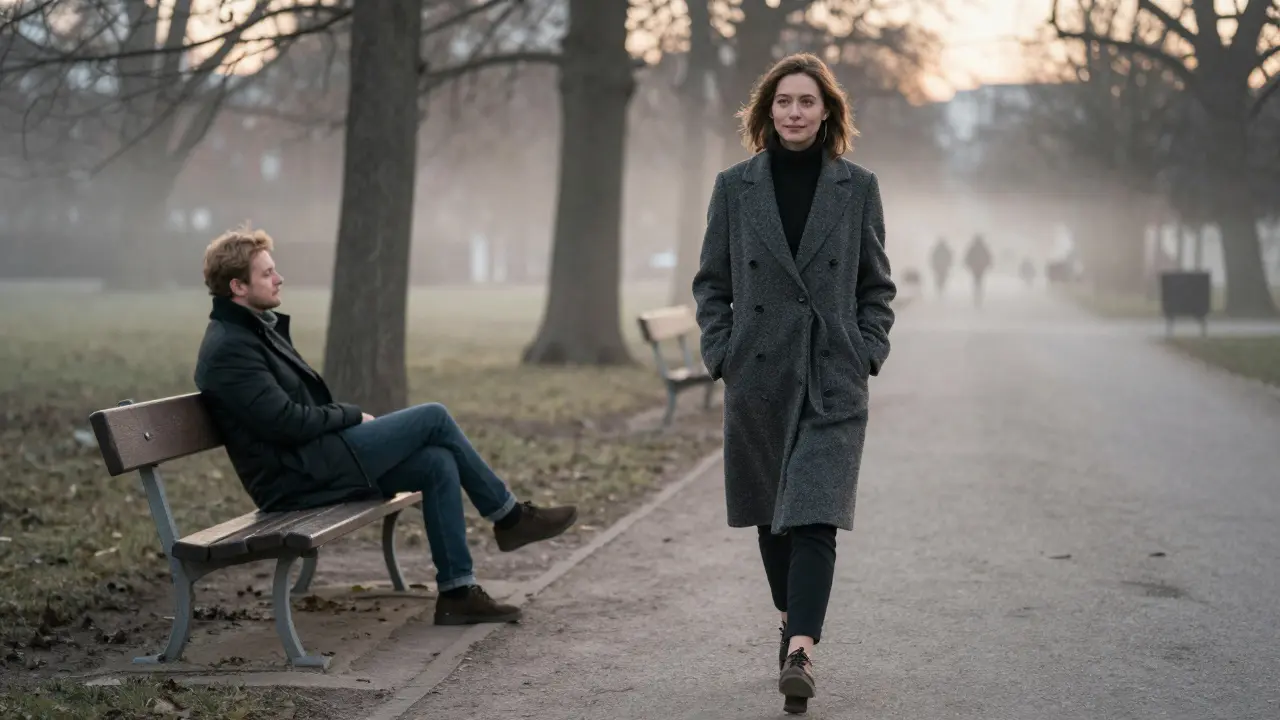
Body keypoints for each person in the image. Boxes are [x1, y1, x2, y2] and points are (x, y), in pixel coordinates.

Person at [193, 228, 578, 626]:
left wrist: (342, 420)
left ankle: (458, 592)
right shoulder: (231, 348)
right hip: (295, 476)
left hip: (314, 459)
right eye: (267, 273)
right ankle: (510, 517)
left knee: (437, 461)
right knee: (433, 416)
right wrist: (351, 415)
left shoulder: (253, 329)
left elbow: (292, 415)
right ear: (238, 286)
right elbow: (286, 423)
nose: (279, 278)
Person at [691, 53, 896, 714]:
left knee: (813, 515)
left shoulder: (856, 186)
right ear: (766, 112)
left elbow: (876, 284)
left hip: (831, 376)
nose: (796, 112)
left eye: (808, 101)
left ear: (827, 111)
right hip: (758, 375)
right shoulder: (734, 187)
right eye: (784, 102)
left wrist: (867, 348)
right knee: (770, 520)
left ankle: (802, 648)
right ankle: (791, 619)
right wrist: (724, 352)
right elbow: (712, 283)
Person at [964, 233, 993, 307]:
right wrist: (988, 264)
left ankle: (977, 292)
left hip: (975, 267)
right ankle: (978, 292)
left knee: (976, 280)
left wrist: (968, 264)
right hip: (980, 267)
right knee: (979, 280)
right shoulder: (983, 248)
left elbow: (967, 257)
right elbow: (988, 257)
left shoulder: (973, 248)